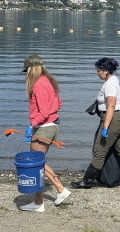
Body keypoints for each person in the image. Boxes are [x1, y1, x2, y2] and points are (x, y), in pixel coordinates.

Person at [71, 57, 120, 190]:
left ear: (105, 71)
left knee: (100, 151)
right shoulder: (114, 80)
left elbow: (110, 106)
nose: (96, 73)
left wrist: (105, 127)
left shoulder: (110, 84)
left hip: (113, 119)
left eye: (98, 70)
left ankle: (87, 181)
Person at [19, 54, 71, 212]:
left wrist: (33, 124)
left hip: (44, 127)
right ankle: (38, 202)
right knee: (37, 163)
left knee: (37, 164)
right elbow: (58, 103)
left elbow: (44, 111)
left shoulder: (38, 84)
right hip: (51, 124)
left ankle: (61, 190)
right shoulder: (49, 81)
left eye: (27, 70)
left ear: (32, 69)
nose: (26, 73)